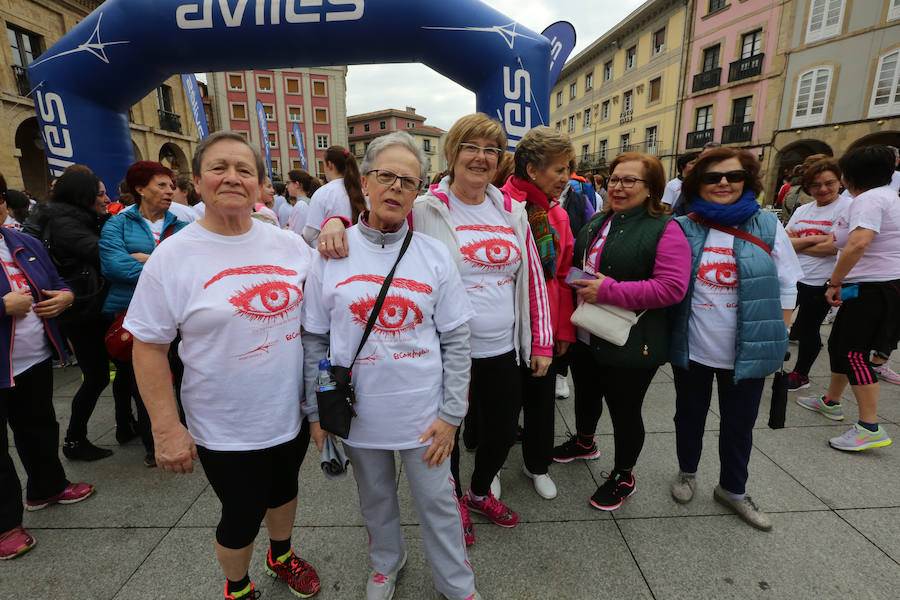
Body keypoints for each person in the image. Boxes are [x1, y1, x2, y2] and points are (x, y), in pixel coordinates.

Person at [315, 117, 554, 545]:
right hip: (444, 348)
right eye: (471, 147)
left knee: (501, 432)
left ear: (500, 161)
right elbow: (380, 228)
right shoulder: (426, 207)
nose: (481, 157)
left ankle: (481, 491)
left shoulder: (510, 210)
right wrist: (336, 222)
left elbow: (532, 277)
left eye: (492, 150)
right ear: (453, 153)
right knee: (445, 435)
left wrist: (541, 340)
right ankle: (456, 500)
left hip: (502, 348)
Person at [127, 132, 320, 600]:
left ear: (258, 184)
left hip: (287, 413)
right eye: (219, 168)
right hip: (223, 423)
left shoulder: (290, 246)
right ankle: (237, 586)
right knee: (241, 510)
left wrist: (337, 228)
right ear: (197, 182)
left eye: (244, 169)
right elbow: (148, 347)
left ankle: (281, 555)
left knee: (284, 491)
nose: (232, 177)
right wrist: (166, 428)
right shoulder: (172, 256)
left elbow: (328, 309)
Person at [301, 131, 480, 600]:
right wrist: (315, 411)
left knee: (438, 503)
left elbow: (458, 339)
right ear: (365, 180)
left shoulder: (434, 255)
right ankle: (386, 563)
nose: (397, 188)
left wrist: (451, 416)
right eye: (387, 176)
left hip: (423, 413)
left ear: (419, 191)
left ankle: (457, 583)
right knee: (375, 498)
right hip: (358, 413)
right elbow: (315, 337)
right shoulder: (330, 252)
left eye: (410, 181)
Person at [669, 147, 802, 531]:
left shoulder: (767, 225)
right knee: (688, 415)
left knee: (739, 423)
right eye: (712, 177)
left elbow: (787, 284)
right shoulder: (682, 226)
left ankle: (733, 490)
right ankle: (686, 472)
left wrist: (781, 334)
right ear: (698, 184)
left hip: (749, 347)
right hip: (694, 345)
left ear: (748, 180)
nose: (723, 182)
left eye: (733, 176)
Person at [554, 152, 691, 511]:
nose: (617, 186)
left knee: (625, 410)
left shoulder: (666, 227)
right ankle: (585, 441)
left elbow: (672, 288)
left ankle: (624, 475)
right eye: (614, 178)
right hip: (587, 331)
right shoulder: (599, 219)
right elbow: (583, 268)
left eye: (629, 180)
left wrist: (609, 290)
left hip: (632, 339)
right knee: (586, 394)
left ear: (651, 189)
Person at [0, 220, 94, 560]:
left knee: (38, 426)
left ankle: (47, 487)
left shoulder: (23, 241)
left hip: (32, 358)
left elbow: (56, 282)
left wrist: (65, 297)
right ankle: (5, 525)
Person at [798, 146, 898, 452]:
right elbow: (840, 242)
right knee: (839, 343)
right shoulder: (880, 198)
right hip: (866, 285)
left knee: (853, 352)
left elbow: (856, 244)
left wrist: (835, 281)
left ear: (848, 176)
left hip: (874, 288)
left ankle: (870, 427)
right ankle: (831, 400)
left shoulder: (870, 199)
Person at [500, 126, 579, 503]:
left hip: (543, 330)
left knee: (541, 400)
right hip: (502, 326)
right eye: (559, 169)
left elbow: (563, 275)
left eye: (568, 169)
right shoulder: (496, 205)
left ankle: (537, 464)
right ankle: (493, 464)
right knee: (498, 402)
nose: (566, 177)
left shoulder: (558, 215)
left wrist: (563, 329)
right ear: (532, 169)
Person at [35, 170, 133, 460]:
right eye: (100, 194)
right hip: (82, 311)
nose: (106, 199)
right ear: (82, 196)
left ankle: (125, 424)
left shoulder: (77, 218)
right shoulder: (65, 223)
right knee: (97, 376)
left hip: (91, 306)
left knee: (121, 367)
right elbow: (103, 254)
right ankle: (75, 440)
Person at [99, 161, 188, 467]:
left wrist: (147, 260)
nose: (169, 191)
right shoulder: (118, 224)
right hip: (131, 313)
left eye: (171, 185)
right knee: (144, 381)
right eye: (161, 185)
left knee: (185, 376)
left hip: (179, 315)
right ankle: (154, 444)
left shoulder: (182, 225)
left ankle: (190, 434)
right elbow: (114, 266)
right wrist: (162, 265)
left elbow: (190, 270)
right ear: (139, 188)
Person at [783, 158, 851, 392]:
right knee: (780, 323)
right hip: (793, 276)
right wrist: (816, 239)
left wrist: (799, 242)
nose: (823, 189)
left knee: (809, 329)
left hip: (821, 280)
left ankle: (801, 374)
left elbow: (834, 247)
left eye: (829, 183)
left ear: (839, 181)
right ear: (808, 187)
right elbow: (784, 242)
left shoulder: (846, 208)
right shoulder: (803, 209)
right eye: (816, 185)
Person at [302, 146, 365, 244]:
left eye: (323, 165)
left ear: (330, 164)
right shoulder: (363, 191)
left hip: (334, 254)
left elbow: (309, 234)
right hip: (361, 249)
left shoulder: (323, 193)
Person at [286, 168, 321, 239]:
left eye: (288, 183)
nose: (286, 187)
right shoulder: (306, 202)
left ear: (297, 184)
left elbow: (298, 237)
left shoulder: (301, 205)